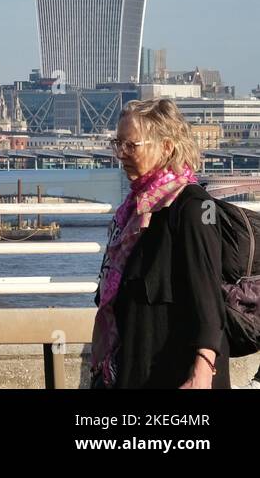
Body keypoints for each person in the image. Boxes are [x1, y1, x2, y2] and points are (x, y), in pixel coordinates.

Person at [90, 98, 230, 389]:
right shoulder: (134, 210)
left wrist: (202, 371)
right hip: (131, 367)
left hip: (173, 374)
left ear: (166, 147)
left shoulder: (192, 206)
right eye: (118, 144)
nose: (122, 154)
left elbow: (207, 297)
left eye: (132, 145)